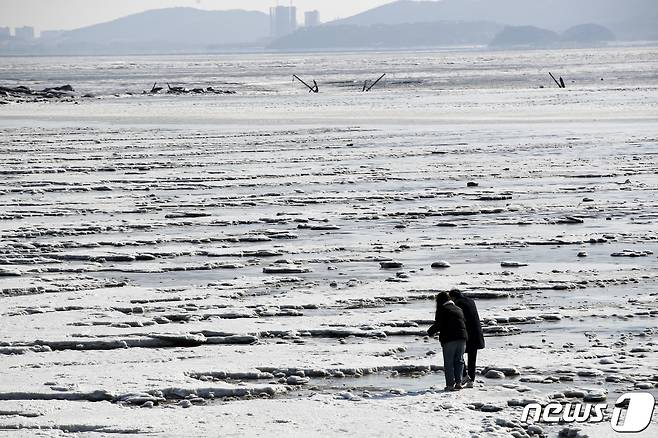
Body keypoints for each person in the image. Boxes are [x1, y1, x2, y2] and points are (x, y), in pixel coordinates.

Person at [427, 291, 468, 391]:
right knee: (459, 360)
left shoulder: (443, 310)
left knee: (449, 362)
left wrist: (430, 332)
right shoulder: (459, 309)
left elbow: (438, 324)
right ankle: (458, 383)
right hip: (462, 338)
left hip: (449, 338)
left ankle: (450, 385)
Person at [449, 289, 485, 388]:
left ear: (452, 297)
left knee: (458, 354)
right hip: (476, 332)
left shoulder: (457, 304)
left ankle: (464, 375)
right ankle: (471, 381)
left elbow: (458, 319)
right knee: (472, 358)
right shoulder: (470, 301)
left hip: (466, 333)